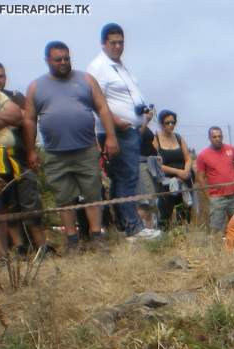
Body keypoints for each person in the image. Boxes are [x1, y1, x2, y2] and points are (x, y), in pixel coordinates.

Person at [23, 41, 120, 251]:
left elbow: (103, 108)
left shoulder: (86, 79)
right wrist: (31, 150)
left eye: (67, 58)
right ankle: (72, 241)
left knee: (93, 194)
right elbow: (29, 119)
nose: (64, 62)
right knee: (64, 198)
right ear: (47, 60)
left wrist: (111, 137)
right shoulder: (36, 86)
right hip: (55, 153)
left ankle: (96, 237)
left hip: (86, 149)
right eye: (58, 59)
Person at [87, 22, 160, 240]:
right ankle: (132, 227)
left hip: (131, 130)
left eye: (121, 42)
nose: (118, 46)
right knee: (127, 177)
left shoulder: (119, 65)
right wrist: (115, 122)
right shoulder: (99, 66)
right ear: (103, 43)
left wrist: (144, 115)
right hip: (116, 131)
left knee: (125, 177)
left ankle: (125, 225)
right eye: (113, 42)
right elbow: (95, 100)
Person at [0, 62, 49, 253]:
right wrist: (9, 118)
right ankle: (19, 248)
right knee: (8, 206)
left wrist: (31, 151)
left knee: (31, 202)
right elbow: (15, 116)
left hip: (21, 156)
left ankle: (42, 247)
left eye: (1, 76)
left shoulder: (16, 97)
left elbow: (26, 119)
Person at [195, 126, 234, 232]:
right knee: (217, 228)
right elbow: (200, 177)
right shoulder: (203, 155)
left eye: (219, 136)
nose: (217, 138)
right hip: (217, 197)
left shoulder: (231, 149)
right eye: (214, 137)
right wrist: (208, 196)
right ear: (209, 138)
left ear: (222, 137)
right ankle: (219, 247)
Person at [153, 109, 193, 229]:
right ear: (161, 123)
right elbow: (157, 164)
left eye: (173, 122)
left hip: (184, 181)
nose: (171, 125)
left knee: (184, 210)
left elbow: (188, 158)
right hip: (166, 182)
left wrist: (185, 171)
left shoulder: (178, 137)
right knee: (165, 212)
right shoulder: (155, 139)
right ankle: (164, 238)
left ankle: (184, 237)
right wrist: (178, 172)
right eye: (167, 122)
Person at [0, 81, 23, 257]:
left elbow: (17, 115)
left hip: (4, 157)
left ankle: (6, 253)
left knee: (4, 207)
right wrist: (2, 118)